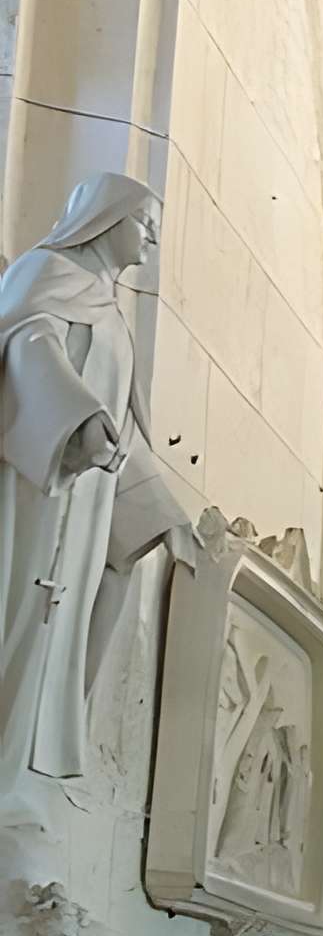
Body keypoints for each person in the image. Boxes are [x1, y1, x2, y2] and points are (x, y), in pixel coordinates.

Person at [0, 173, 193, 799]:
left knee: (58, 624)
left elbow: (121, 424)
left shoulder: (112, 314)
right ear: (106, 221)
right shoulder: (41, 272)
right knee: (18, 612)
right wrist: (73, 415)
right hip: (36, 483)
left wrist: (152, 504)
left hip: (80, 507)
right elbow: (24, 343)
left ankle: (20, 782)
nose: (153, 240)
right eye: (145, 224)